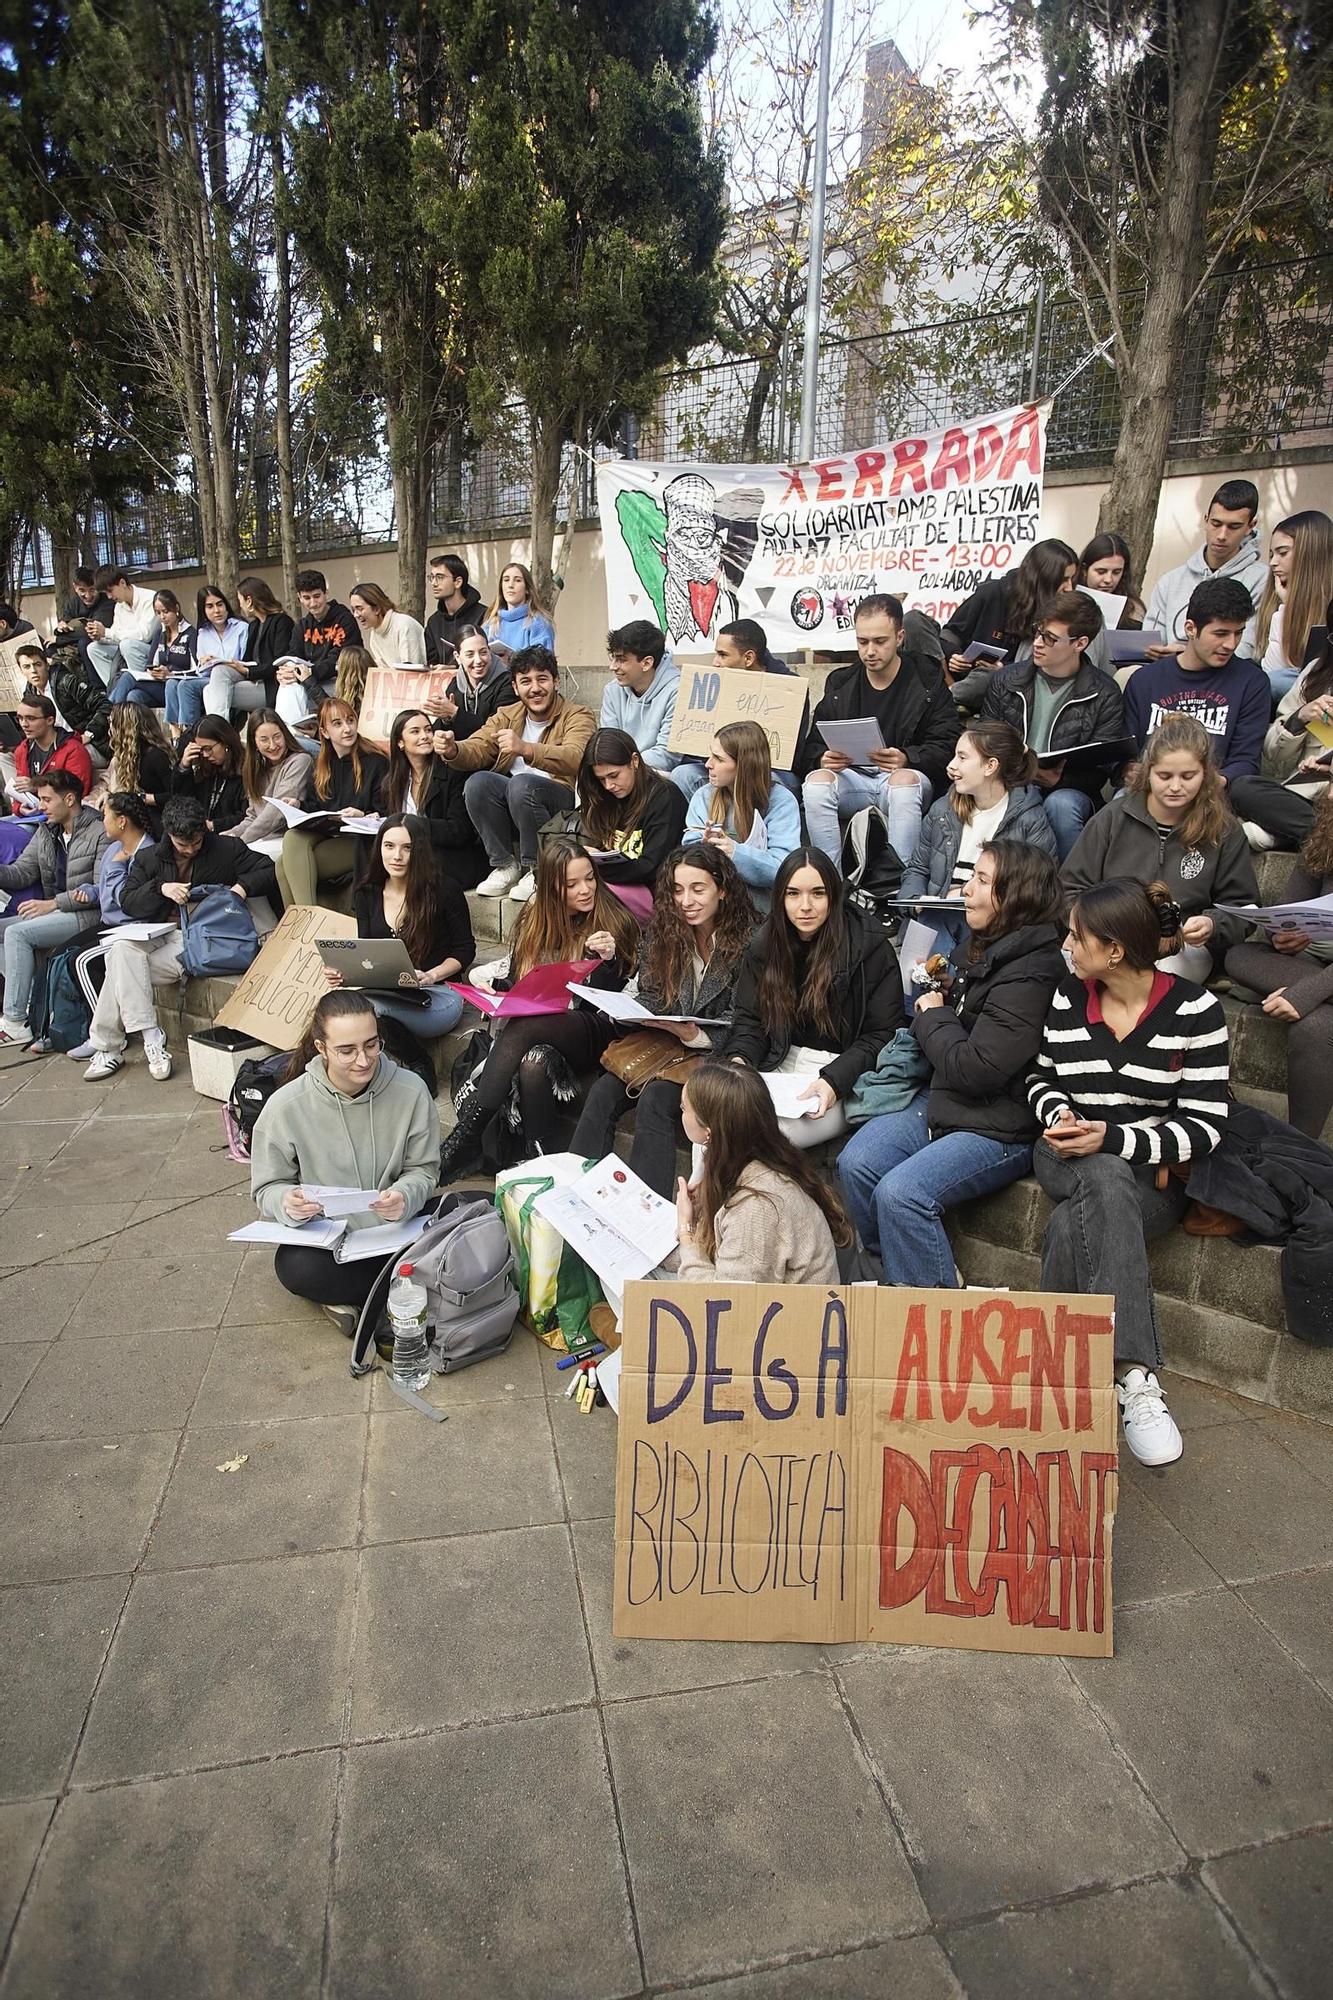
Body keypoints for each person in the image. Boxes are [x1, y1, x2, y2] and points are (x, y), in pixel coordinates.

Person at [1028, 878, 1231, 1465]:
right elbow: (1040, 1078)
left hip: (1152, 1175)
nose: (1067, 945)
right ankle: (1135, 1375)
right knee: (1100, 1174)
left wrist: (1114, 1138)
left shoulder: (1196, 1012)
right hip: (1064, 1153)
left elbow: (1205, 1126)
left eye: (1077, 936)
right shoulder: (1069, 997)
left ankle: (1055, 1375)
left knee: (1085, 1208)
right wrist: (1060, 1112)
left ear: (1114, 950)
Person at [839, 840, 1066, 1283]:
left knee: (901, 1194)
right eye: (972, 877)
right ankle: (908, 1271)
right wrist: (949, 989)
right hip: (948, 1101)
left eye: (982, 881)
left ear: (1017, 897)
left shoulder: (1034, 970)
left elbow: (976, 1068)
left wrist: (934, 1012)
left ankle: (932, 1309)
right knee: (856, 1163)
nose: (965, 890)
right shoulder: (984, 946)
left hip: (999, 1123)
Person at [437, 834, 639, 1177]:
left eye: (589, 878)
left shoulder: (614, 919)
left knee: (527, 1029)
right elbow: (522, 982)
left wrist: (608, 960)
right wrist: (496, 991)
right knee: (532, 1063)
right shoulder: (535, 923)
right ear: (550, 889)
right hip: (542, 1028)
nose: (585, 889)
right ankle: (538, 1161)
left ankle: (467, 1134)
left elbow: (613, 1000)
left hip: (593, 1029)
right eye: (571, 884)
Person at [249, 990, 441, 1335]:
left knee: (482, 1208)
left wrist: (405, 1196)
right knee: (294, 1266)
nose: (364, 1060)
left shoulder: (411, 1090)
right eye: (347, 1050)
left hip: (399, 1231)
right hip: (334, 1244)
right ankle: (412, 1291)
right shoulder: (287, 1105)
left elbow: (424, 1171)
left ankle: (370, 1299)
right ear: (321, 1048)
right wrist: (286, 1202)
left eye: (371, 1044)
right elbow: (267, 1187)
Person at [570, 843, 756, 1195]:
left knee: (656, 1099)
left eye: (698, 889)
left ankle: (646, 1212)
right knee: (603, 1090)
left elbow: (749, 1020)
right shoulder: (665, 932)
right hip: (663, 1042)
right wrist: (632, 1011)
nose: (686, 900)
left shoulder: (751, 942)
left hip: (712, 1051)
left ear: (723, 889)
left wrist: (693, 1034)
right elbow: (653, 994)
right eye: (678, 890)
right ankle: (575, 1194)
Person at [719, 846, 904, 1149]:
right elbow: (751, 1021)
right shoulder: (765, 946)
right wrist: (740, 1060)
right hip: (778, 1061)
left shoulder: (870, 949)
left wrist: (834, 1080)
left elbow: (882, 1034)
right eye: (793, 894)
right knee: (716, 1124)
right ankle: (697, 1198)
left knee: (761, 1141)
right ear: (780, 897)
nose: (805, 906)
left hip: (843, 1073)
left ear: (834, 896)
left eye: (817, 893)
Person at [84, 795, 275, 1081]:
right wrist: (160, 888)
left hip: (201, 939)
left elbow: (269, 869)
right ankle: (151, 1036)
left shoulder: (226, 848)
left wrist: (240, 888)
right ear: (169, 836)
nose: (189, 849)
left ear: (203, 832)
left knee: (119, 958)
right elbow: (128, 901)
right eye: (182, 844)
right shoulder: (150, 857)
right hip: (158, 933)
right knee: (123, 951)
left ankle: (110, 1047)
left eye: (196, 842)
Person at [1062, 715, 1259, 979]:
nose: (1175, 786)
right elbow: (1070, 888)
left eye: (1188, 776)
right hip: (1107, 934)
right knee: (1084, 962)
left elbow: (1243, 907)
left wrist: (1213, 924)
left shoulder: (1224, 829)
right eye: (1164, 776)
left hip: (1180, 945)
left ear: (1206, 774)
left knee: (1157, 978)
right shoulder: (1113, 817)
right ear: (1148, 771)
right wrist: (1095, 926)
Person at [800, 592, 958, 870]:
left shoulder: (927, 680)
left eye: (880, 641)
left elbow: (947, 745)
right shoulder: (841, 683)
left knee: (904, 784)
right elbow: (812, 745)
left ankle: (899, 882)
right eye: (862, 642)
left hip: (903, 780)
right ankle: (829, 881)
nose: (869, 651)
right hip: (853, 780)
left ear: (899, 637)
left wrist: (908, 758)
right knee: (816, 784)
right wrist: (822, 759)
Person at [437, 644, 595, 903]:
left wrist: (526, 749)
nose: (535, 688)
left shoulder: (578, 715)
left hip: (561, 802)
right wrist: (453, 749)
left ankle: (537, 870)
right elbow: (479, 745)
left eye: (542, 679)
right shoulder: (507, 715)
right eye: (525, 681)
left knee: (521, 784)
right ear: (514, 687)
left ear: (556, 681)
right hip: (517, 804)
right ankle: (505, 865)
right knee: (478, 782)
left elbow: (576, 758)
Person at [978, 589, 1124, 860]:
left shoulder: (1105, 693)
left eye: (1050, 638)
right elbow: (985, 740)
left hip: (1069, 789)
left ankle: (1070, 890)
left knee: (1062, 804)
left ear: (1080, 643)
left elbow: (1103, 766)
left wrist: (1060, 779)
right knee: (1005, 795)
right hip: (1009, 778)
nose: (1038, 643)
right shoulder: (1006, 680)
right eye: (1038, 632)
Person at [675, 1062, 849, 1285]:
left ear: (709, 1130)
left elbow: (723, 1303)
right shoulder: (756, 1163)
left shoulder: (756, 1206)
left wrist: (686, 1230)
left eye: (683, 1108)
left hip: (791, 1317)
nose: (681, 1113)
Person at [1225, 791, 1333, 1140]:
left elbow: (1305, 1001)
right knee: (1238, 955)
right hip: (1318, 960)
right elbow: (1289, 907)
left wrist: (1304, 995)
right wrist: (1284, 935)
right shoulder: (1327, 831)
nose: (1328, 793)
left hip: (1314, 977)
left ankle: (1300, 1151)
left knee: (1314, 1026)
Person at [899, 722, 1058, 921]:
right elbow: (917, 869)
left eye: (962, 757)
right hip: (935, 919)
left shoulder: (1030, 820)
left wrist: (963, 895)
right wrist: (915, 900)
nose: (951, 766)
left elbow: (1037, 890)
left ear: (990, 766)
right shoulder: (942, 810)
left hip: (994, 927)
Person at [1123, 577, 1271, 787]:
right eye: (1220, 634)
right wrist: (1127, 769)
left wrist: (1204, 784)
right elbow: (1125, 754)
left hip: (1214, 797)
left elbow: (1246, 761)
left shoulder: (1252, 682)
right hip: (1149, 791)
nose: (1231, 644)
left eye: (1238, 633)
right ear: (1191, 628)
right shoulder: (1145, 681)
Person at [338, 815, 473, 1039]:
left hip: (439, 993)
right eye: (389, 846)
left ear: (420, 851)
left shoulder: (445, 890)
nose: (397, 856)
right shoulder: (366, 892)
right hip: (388, 992)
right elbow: (368, 954)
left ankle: (416, 1065)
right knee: (335, 1009)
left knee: (367, 1014)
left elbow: (465, 950)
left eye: (407, 848)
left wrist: (431, 975)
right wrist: (344, 974)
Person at [0, 769, 107, 1046]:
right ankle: (29, 1008)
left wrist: (53, 904)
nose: (41, 806)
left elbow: (99, 890)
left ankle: (14, 1021)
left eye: (47, 800)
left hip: (87, 916)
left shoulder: (99, 831)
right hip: (57, 911)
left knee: (16, 934)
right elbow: (21, 872)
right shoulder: (47, 831)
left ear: (69, 799)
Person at [59, 791, 156, 1056]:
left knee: (81, 962)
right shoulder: (115, 848)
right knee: (62, 954)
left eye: (105, 816)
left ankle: (105, 1035)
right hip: (108, 922)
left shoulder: (146, 853)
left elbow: (128, 901)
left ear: (122, 821)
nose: (103, 822)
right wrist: (91, 890)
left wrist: (114, 869)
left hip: (130, 927)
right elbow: (108, 890)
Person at [670, 617, 808, 800]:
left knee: (762, 780)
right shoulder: (714, 681)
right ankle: (707, 824)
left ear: (748, 658)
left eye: (723, 655)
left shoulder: (789, 689)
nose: (715, 662)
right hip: (722, 766)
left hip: (771, 773)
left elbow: (789, 754)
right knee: (682, 774)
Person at [1231, 606, 1333, 851]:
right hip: (1305, 799)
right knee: (1242, 787)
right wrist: (1299, 718)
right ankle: (1316, 836)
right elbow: (1273, 754)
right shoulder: (1316, 673)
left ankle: (1290, 834)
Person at [274, 697, 389, 908]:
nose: (347, 729)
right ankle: (304, 925)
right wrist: (299, 806)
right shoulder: (324, 765)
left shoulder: (375, 762)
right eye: (337, 724)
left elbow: (386, 812)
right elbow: (321, 806)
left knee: (287, 866)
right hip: (333, 835)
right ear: (324, 732)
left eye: (350, 721)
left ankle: (306, 926)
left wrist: (362, 814)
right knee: (290, 843)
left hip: (361, 841)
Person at [940, 539, 1080, 706]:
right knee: (915, 621)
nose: (1069, 588)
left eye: (1072, 579)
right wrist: (953, 656)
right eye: (1063, 580)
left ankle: (947, 700)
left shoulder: (1054, 612)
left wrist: (1002, 668)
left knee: (990, 678)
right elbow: (950, 632)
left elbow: (1035, 667)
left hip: (997, 682)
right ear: (1043, 579)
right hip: (959, 671)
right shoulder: (992, 593)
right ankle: (950, 696)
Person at [1143, 478, 1267, 655]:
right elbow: (1149, 645)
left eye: (1234, 526)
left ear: (1250, 527)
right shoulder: (1170, 581)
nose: (1222, 535)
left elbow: (1246, 650)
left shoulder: (1261, 579)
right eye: (1216, 524)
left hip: (1226, 677)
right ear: (1206, 520)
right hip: (1167, 673)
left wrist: (1184, 657)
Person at [683, 721, 800, 907]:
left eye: (719, 759)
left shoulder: (781, 801)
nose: (708, 764)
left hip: (758, 899)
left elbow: (784, 867)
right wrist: (702, 847)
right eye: (710, 755)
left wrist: (735, 852)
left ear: (744, 766)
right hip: (711, 892)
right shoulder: (705, 795)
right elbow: (688, 847)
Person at [576, 728, 688, 910]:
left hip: (653, 892)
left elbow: (651, 867)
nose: (609, 785)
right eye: (601, 779)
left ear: (634, 761)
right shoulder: (606, 797)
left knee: (584, 892)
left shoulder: (665, 797)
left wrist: (593, 870)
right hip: (615, 882)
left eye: (614, 775)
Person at [379, 707, 485, 888]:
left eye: (428, 730)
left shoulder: (453, 771)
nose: (425, 736)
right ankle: (364, 910)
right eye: (415, 731)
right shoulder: (392, 783)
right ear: (400, 742)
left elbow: (460, 830)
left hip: (448, 857)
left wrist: (415, 825)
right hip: (408, 854)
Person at [1249, 510, 1333, 703]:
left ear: (1310, 554)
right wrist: (1285, 608)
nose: (1272, 562)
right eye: (1271, 554)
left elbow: (1280, 678)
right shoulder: (1275, 597)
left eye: (1282, 553)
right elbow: (1273, 670)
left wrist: (1288, 609)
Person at [205, 577, 300, 720]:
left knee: (210, 692)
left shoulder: (282, 622)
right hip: (255, 679)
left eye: (240, 601)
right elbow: (247, 660)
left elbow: (279, 662)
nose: (240, 606)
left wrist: (248, 671)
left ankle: (219, 733)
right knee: (216, 676)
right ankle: (219, 730)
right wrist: (223, 662)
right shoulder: (254, 626)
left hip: (271, 685)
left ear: (249, 601)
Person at [275, 570, 358, 734]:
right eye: (306, 598)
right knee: (288, 684)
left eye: (317, 596)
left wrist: (308, 673)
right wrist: (286, 672)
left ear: (326, 593)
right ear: (299, 597)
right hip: (310, 681)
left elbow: (338, 661)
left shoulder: (344, 619)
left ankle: (291, 735)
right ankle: (290, 734)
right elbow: (293, 655)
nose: (313, 603)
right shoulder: (302, 626)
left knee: (294, 685)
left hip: (340, 681)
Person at [598, 620, 680, 772]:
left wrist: (626, 767)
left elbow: (667, 756)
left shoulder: (677, 691)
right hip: (621, 768)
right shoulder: (612, 690)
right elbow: (608, 742)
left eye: (621, 660)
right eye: (613, 658)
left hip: (658, 773)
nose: (613, 667)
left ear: (647, 663)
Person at [18, 637, 111, 768]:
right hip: (56, 747)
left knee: (56, 762)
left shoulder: (66, 681)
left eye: (38, 664)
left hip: (89, 745)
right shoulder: (30, 692)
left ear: (47, 664)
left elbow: (106, 705)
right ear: (21, 671)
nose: (33, 670)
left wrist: (89, 734)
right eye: (27, 667)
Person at [232, 710, 314, 856]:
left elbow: (276, 813)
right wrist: (229, 836)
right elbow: (252, 816)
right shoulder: (256, 770)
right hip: (261, 839)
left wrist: (239, 843)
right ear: (255, 742)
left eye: (277, 737)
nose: (272, 745)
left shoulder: (300, 761)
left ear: (285, 735)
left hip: (288, 839)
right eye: (264, 740)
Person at [177, 586, 248, 737]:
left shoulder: (241, 628)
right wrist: (204, 663)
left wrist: (221, 662)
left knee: (218, 673)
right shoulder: (203, 634)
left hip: (237, 676)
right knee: (183, 685)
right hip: (210, 678)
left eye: (219, 604)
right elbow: (201, 672)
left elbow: (246, 663)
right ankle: (190, 734)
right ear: (204, 611)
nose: (217, 610)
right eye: (210, 606)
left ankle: (218, 732)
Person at [108, 589, 194, 708]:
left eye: (166, 611)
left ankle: (106, 712)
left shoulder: (190, 634)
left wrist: (171, 673)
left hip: (176, 687)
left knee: (128, 677)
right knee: (133, 696)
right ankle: (125, 724)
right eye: (158, 613)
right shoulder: (160, 634)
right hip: (159, 686)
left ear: (176, 608)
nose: (162, 617)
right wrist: (154, 671)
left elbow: (197, 671)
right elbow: (149, 664)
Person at [428, 628, 513, 744]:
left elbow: (495, 732)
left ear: (489, 651)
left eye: (483, 652)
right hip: (460, 755)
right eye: (470, 655)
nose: (478, 660)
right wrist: (446, 719)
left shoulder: (506, 683)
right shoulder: (455, 684)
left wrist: (455, 713)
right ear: (458, 657)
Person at [83, 568, 161, 689]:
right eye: (106, 593)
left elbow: (145, 635)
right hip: (128, 652)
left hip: (154, 652)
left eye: (110, 591)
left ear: (122, 583)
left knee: (127, 645)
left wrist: (106, 632)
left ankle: (139, 686)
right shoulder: (119, 607)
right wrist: (100, 636)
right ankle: (115, 688)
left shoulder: (150, 599)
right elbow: (115, 635)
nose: (109, 596)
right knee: (93, 648)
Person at [9, 694, 93, 804]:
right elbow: (20, 790)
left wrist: (36, 787)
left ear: (50, 720)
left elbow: (76, 793)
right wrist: (20, 808)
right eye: (20, 718)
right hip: (33, 815)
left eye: (31, 718)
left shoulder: (73, 750)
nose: (24, 724)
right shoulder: (22, 750)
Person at [170, 717, 247, 833]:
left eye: (208, 749)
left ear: (225, 742)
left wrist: (214, 825)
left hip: (232, 835)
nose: (205, 755)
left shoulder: (246, 769)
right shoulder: (207, 767)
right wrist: (183, 766)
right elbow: (182, 800)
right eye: (201, 750)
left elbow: (247, 814)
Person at [108, 705, 174, 821]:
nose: (110, 729)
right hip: (142, 814)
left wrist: (142, 798)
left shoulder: (157, 756)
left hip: (161, 818)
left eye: (113, 723)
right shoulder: (127, 756)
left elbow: (175, 795)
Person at [425, 553, 486, 664]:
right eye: (432, 577)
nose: (434, 583)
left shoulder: (483, 615)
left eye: (439, 577)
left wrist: (452, 668)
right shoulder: (433, 622)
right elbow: (431, 661)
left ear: (458, 582)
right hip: (442, 681)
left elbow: (486, 657)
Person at [349, 582, 428, 669]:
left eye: (360, 609)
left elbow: (412, 669)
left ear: (376, 609)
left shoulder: (404, 625)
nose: (356, 615)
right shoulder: (374, 636)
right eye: (353, 610)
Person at [483, 561, 555, 653]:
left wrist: (511, 661)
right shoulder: (491, 623)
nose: (510, 585)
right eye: (506, 580)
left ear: (527, 589)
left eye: (517, 580)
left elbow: (543, 664)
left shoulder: (538, 623)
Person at [1077, 532, 1145, 624]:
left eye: (1116, 572)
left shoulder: (1133, 611)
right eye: (1101, 572)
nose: (1108, 579)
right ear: (1084, 570)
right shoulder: (1066, 600)